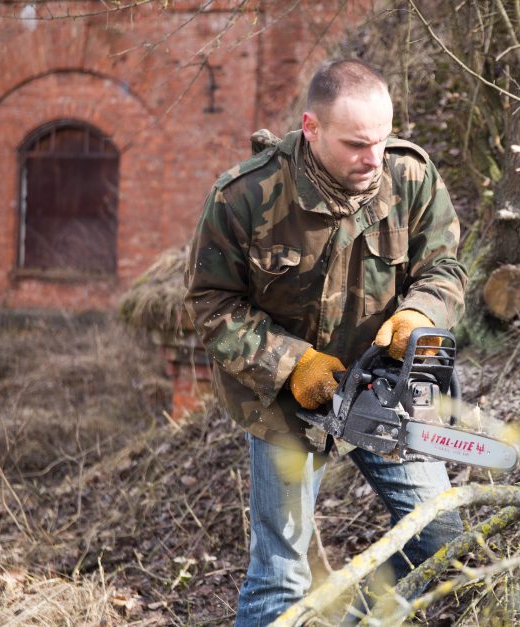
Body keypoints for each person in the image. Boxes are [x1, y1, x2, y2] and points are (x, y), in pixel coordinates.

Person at [184, 59, 467, 626]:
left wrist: (418, 313)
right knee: (281, 575)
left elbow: (445, 269)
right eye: (357, 144)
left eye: (382, 141)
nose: (373, 159)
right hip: (286, 405)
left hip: (381, 389)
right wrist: (293, 364)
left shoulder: (408, 176)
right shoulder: (247, 195)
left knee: (438, 536)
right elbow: (210, 305)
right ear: (311, 129)